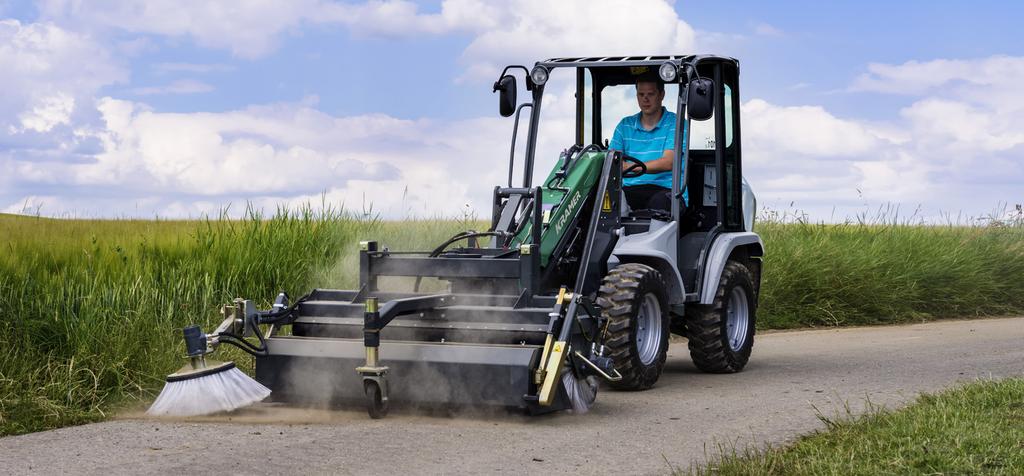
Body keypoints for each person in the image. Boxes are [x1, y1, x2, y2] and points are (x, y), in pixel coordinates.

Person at [609, 78, 677, 212]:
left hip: (665, 189)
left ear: (662, 95)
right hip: (630, 189)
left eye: (650, 94)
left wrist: (630, 167)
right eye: (641, 94)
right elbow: (612, 161)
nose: (645, 99)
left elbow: (669, 162)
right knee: (605, 201)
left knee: (659, 204)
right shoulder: (624, 126)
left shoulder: (676, 123)